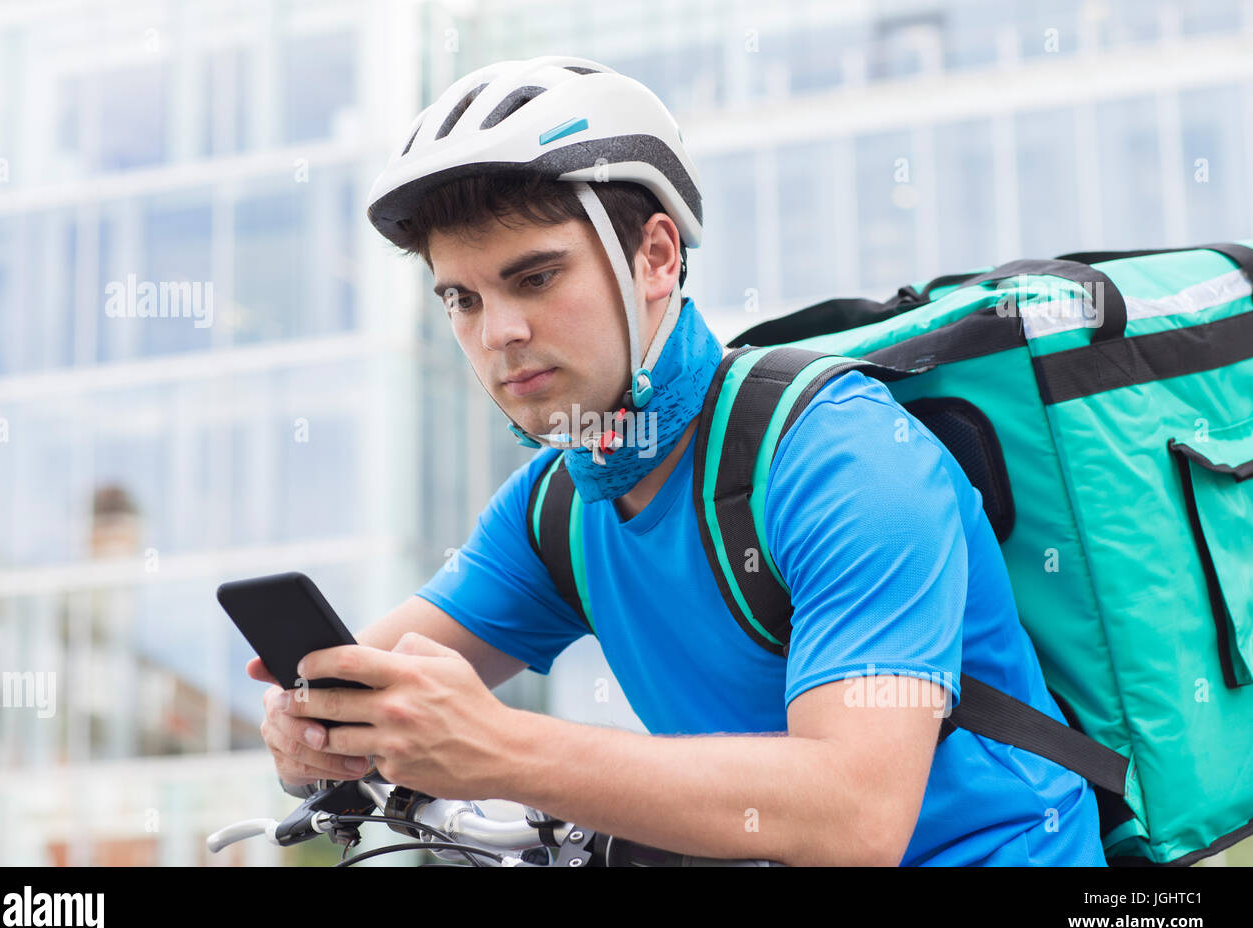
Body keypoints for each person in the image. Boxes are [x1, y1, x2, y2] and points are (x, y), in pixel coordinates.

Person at [249, 54, 1108, 866]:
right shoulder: (552, 511)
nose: (498, 334)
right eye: (462, 299)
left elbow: (855, 814)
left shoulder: (838, 456)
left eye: (536, 279)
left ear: (656, 258)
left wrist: (502, 747)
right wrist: (306, 739)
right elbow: (372, 682)